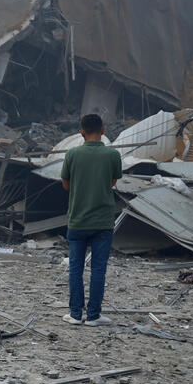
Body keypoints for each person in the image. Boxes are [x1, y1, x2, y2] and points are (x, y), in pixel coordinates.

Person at [60, 113, 123, 326]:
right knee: (98, 269)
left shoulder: (72, 154)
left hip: (77, 220)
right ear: (103, 130)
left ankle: (76, 314)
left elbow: (65, 184)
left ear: (81, 132)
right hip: (103, 221)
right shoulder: (113, 155)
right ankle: (94, 316)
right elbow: (112, 182)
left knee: (76, 268)